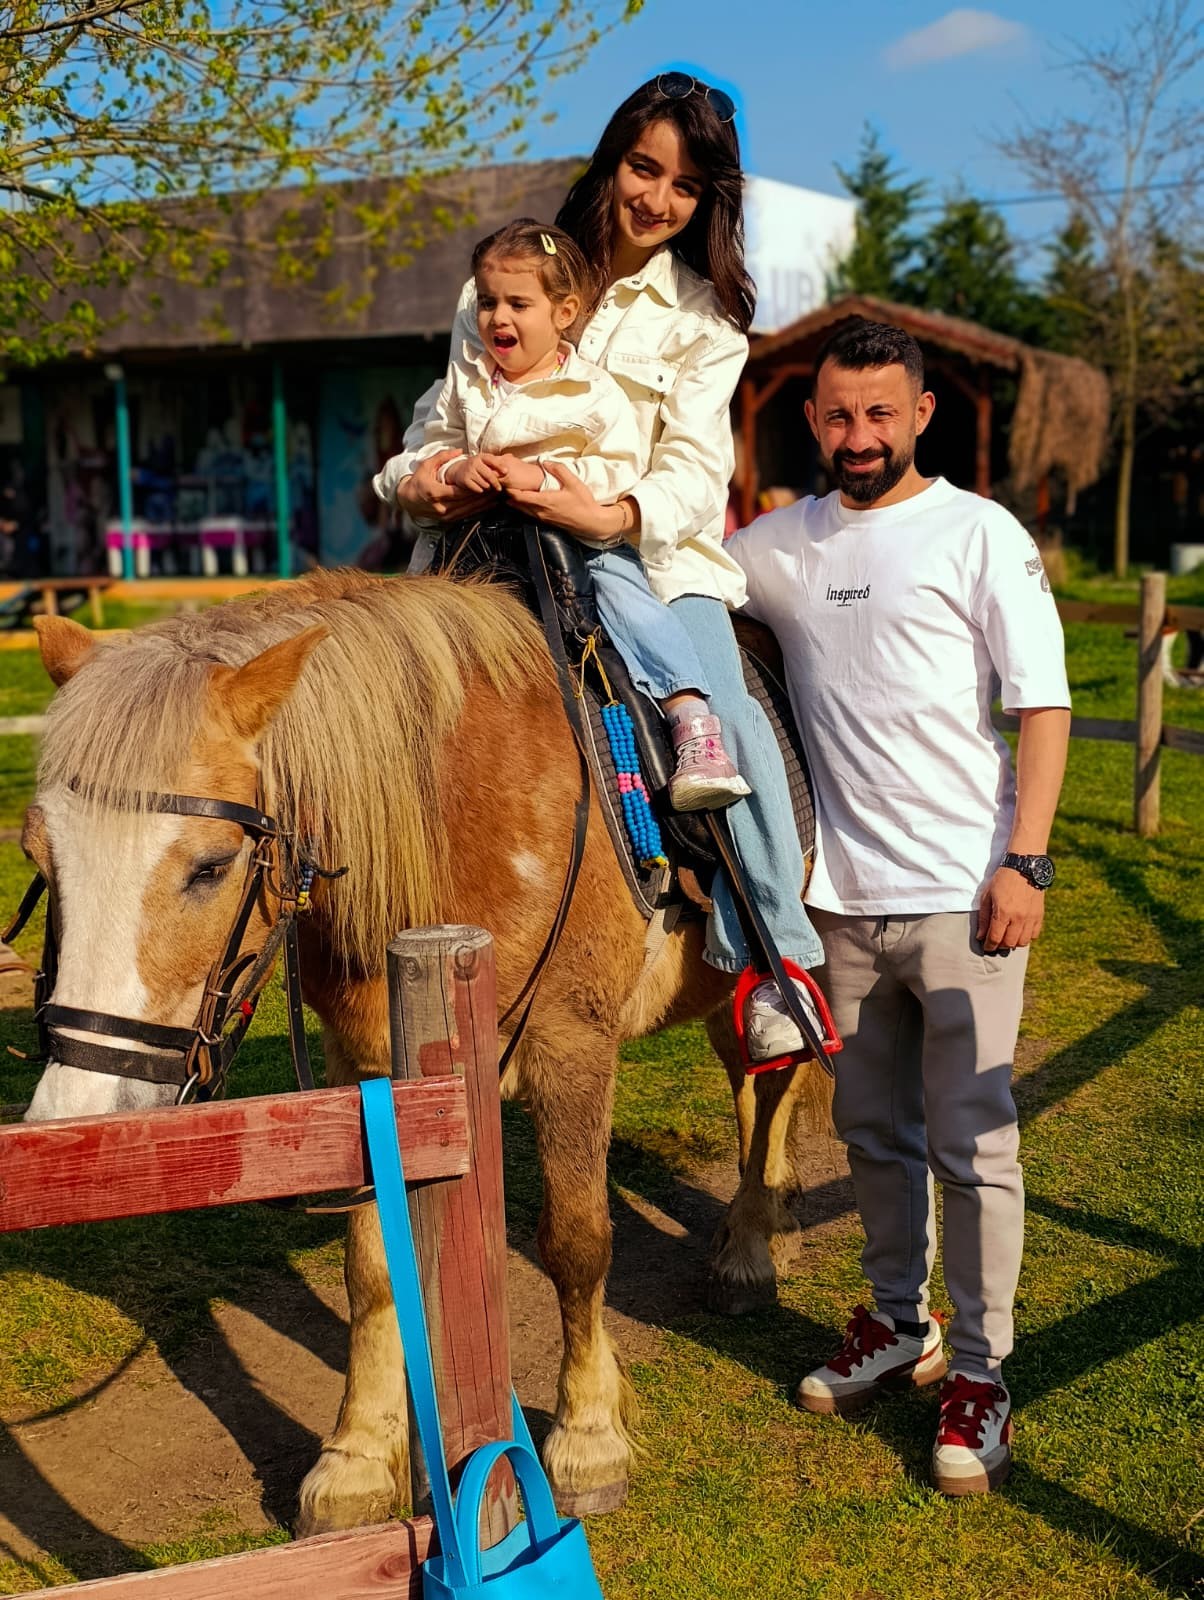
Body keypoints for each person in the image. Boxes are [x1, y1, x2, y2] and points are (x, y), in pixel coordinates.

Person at [374, 74, 826, 1055]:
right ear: (612, 159)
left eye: (686, 185)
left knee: (729, 716)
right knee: (357, 709)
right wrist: (435, 478)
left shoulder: (706, 322)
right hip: (479, 549)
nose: (657, 198)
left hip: (644, 562)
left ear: (709, 200)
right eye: (643, 168)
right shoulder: (501, 283)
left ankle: (775, 962)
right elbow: (431, 427)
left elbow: (694, 473)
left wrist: (607, 513)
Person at [728, 318, 1072, 1495]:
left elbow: (1042, 705)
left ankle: (979, 1372)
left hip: (967, 893)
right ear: (811, 418)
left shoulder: (979, 533)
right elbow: (677, 571)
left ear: (920, 413)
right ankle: (895, 1320)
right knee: (871, 1131)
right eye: (837, 414)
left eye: (880, 412)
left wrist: (1025, 862)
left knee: (973, 1144)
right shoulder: (779, 545)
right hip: (842, 900)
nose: (858, 434)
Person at [409, 216, 749, 812]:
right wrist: (448, 471)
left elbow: (623, 467)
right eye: (488, 303)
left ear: (564, 313)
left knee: (626, 598)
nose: (497, 317)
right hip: (478, 536)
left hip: (580, 539)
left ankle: (690, 715)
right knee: (401, 624)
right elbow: (430, 444)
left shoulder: (594, 389)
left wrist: (546, 480)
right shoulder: (469, 379)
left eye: (518, 305)